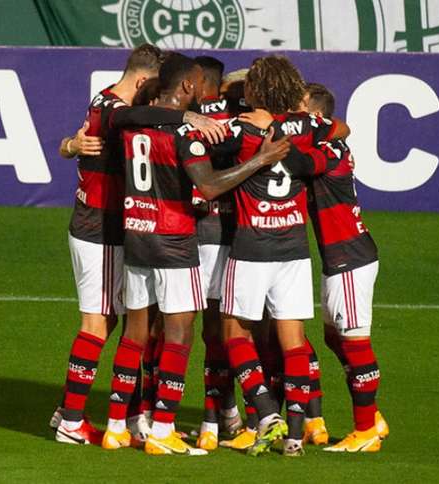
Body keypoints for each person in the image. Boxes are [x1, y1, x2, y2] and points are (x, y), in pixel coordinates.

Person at [100, 53, 293, 455]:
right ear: (188, 86)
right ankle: (163, 430)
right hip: (174, 240)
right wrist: (260, 159)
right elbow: (207, 188)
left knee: (135, 332)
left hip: (137, 235)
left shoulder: (135, 124)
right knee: (180, 333)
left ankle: (117, 426)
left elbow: (118, 118)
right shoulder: (185, 134)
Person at [52, 44, 226, 445]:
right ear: (145, 80)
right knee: (99, 323)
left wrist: (69, 146)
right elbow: (135, 115)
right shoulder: (117, 108)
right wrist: (186, 115)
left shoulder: (102, 100)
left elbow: (76, 143)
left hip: (111, 224)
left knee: (122, 324)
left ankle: (121, 417)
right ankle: (71, 418)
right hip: (100, 226)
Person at [218, 56, 342, 457]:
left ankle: (266, 409)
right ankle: (293, 436)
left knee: (234, 331)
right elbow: (342, 128)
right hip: (293, 248)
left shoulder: (242, 128)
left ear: (257, 89)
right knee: (293, 343)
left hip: (252, 244)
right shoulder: (308, 125)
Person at [301, 83, 390, 453]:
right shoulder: (326, 142)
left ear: (314, 116)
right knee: (332, 337)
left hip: (349, 259)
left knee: (355, 342)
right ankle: (374, 415)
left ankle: (365, 429)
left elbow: (298, 161)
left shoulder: (325, 148)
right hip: (341, 255)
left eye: (298, 109)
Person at [191, 55, 243, 451]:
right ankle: (228, 415)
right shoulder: (237, 115)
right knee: (231, 330)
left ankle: (215, 421)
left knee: (206, 332)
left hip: (199, 231)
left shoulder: (183, 115)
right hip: (240, 232)